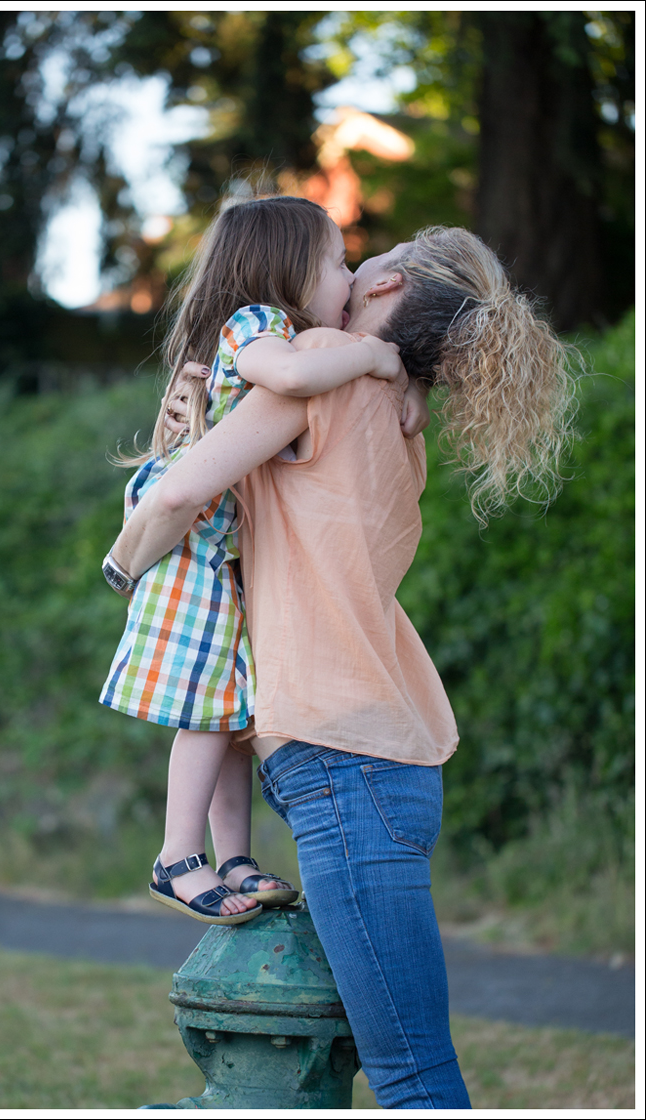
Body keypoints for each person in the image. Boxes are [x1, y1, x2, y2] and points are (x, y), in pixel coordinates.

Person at [106, 218, 576, 1108]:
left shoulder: (319, 358)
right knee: (401, 1060)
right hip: (369, 753)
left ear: (391, 291)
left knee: (411, 1073)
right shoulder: (402, 421)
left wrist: (123, 565)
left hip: (345, 762)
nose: (355, 265)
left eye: (372, 259)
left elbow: (177, 496)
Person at [100, 196, 430, 924]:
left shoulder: (289, 332)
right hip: (196, 544)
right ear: (287, 272)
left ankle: (235, 857)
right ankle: (177, 856)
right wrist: (377, 355)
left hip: (225, 549)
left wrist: (403, 382)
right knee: (206, 710)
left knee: (235, 708)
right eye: (337, 263)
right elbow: (291, 379)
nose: (346, 280)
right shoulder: (255, 325)